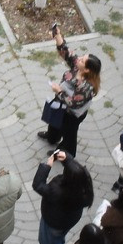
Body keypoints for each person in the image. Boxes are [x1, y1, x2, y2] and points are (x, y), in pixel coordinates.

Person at [39, 25, 98, 155]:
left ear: (87, 69)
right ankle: (52, 137)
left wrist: (58, 91)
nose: (79, 58)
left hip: (72, 114)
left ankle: (65, 151)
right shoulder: (78, 67)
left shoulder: (86, 87)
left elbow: (73, 103)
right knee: (55, 121)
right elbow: (67, 53)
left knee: (69, 133)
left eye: (83, 60)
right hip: (62, 103)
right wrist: (57, 35)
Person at [31, 149, 92, 244]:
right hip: (69, 219)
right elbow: (76, 170)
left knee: (48, 241)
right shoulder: (84, 186)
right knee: (58, 238)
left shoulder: (58, 192)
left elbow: (38, 185)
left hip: (54, 221)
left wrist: (47, 166)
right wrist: (67, 158)